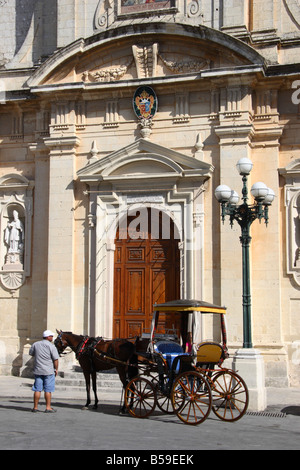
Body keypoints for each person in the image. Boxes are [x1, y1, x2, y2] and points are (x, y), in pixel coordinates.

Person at [29, 330, 59, 413]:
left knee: (37, 389)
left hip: (38, 370)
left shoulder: (35, 344)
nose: (52, 337)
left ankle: (35, 407)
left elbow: (31, 353)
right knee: (48, 390)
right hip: (48, 371)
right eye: (51, 336)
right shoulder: (51, 346)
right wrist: (56, 369)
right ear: (48, 337)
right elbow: (55, 359)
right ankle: (48, 407)